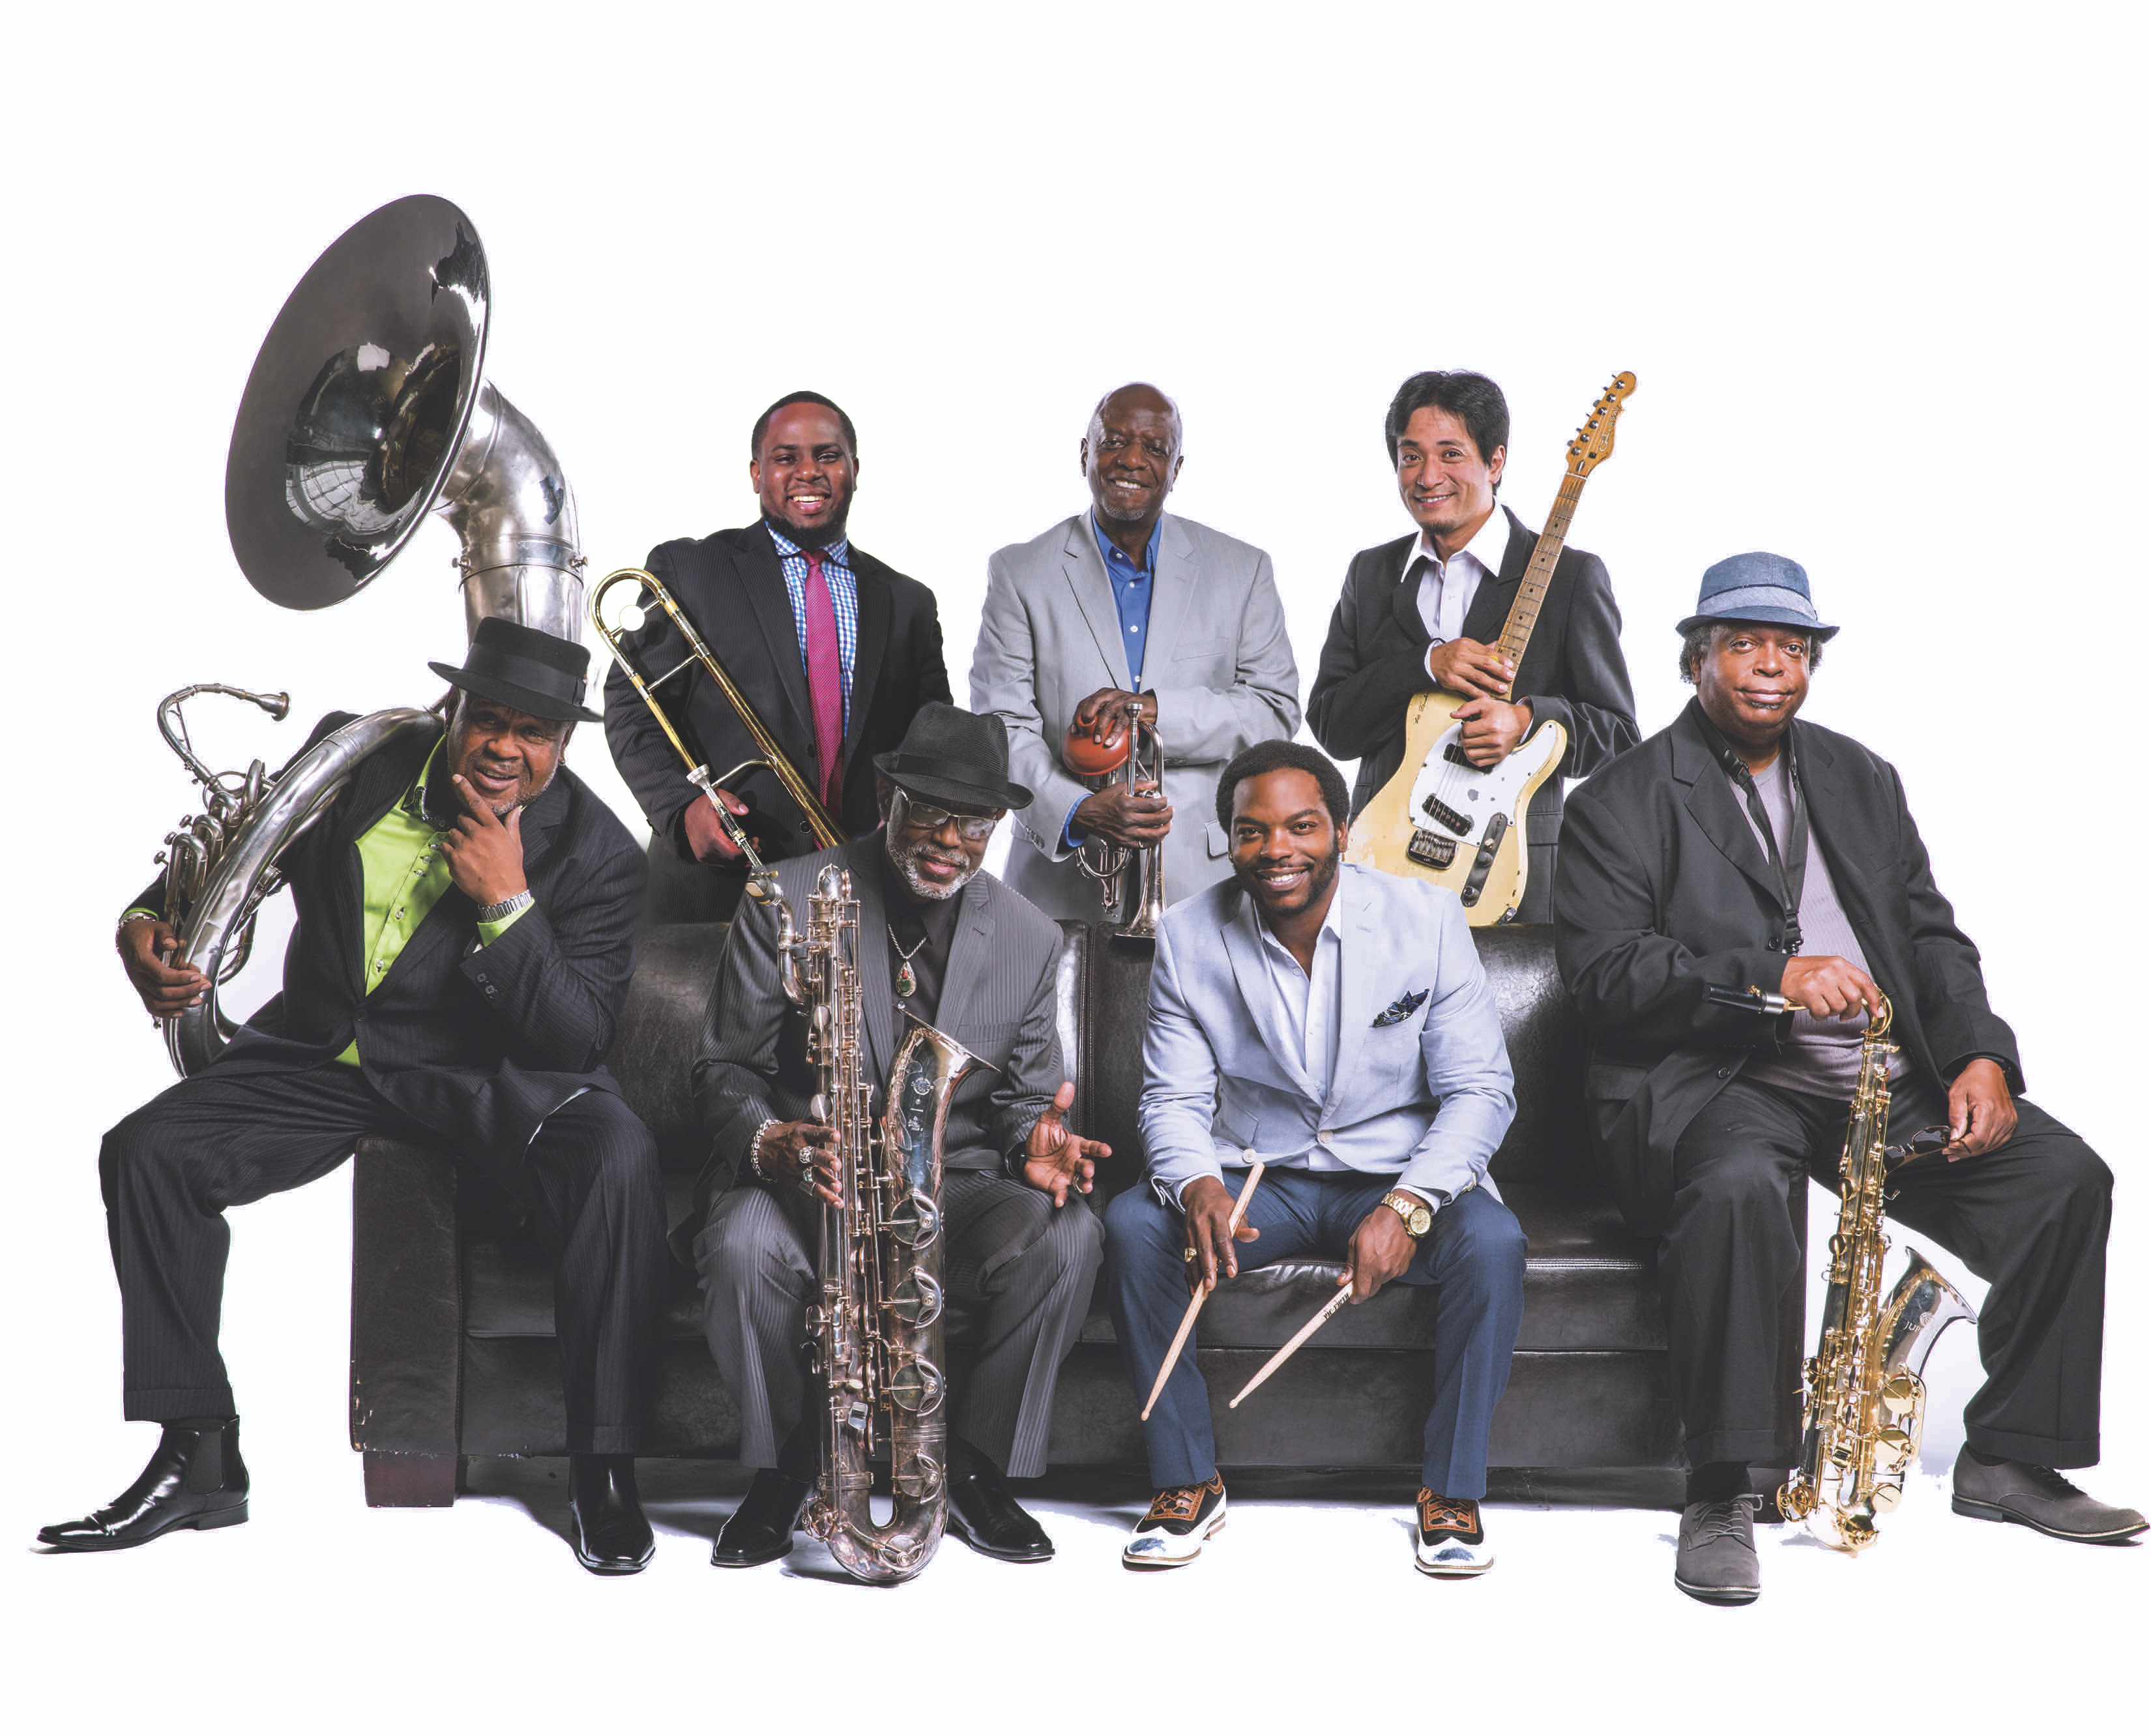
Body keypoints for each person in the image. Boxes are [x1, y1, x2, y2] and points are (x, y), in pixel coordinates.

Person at [1553, 553, 2144, 1605]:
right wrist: (1771, 975)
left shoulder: (1862, 775)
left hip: (1875, 1074)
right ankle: (1725, 1486)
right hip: (1720, 1072)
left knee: (2064, 1177)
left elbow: (1927, 935)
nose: (1771, 666)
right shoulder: (1621, 796)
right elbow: (1607, 975)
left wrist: (1978, 1056)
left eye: (1792, 647)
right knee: (1738, 1192)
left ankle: (2008, 1455)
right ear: (1697, 661)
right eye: (1744, 644)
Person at [42, 618, 667, 1574]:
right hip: (326, 1053)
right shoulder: (360, 757)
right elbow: (216, 866)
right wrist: (144, 926)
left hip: (480, 1072)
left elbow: (576, 1034)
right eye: (488, 718)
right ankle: (199, 1450)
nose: (506, 745)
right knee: (146, 1151)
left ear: (563, 745)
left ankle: (603, 1466)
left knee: (617, 1150)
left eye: (534, 732)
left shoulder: (599, 853)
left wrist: (509, 902)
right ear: (455, 709)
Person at [692, 703, 1108, 1567]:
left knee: (1073, 1237)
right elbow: (721, 1071)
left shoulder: (1032, 938)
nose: (952, 840)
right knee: (737, 1241)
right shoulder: (788, 895)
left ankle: (973, 1467)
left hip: (950, 1187)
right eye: (931, 811)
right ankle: (786, 1468)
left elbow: (1026, 1099)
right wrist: (775, 1141)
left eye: (977, 822)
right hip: (817, 1181)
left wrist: (1040, 1136)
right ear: (887, 795)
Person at [1102, 741, 1524, 1573]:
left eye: (1301, 826)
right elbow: (1172, 1101)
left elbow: (1482, 1091)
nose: (1278, 850)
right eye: (1251, 831)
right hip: (1263, 1174)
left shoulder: (1426, 917)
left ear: (1340, 829)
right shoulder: (1189, 935)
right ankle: (1188, 1479)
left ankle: (1451, 1487)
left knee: (1495, 1241)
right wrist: (1195, 1185)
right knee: (1132, 1225)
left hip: (1396, 1168)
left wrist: (1408, 1206)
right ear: (1227, 839)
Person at [606, 390, 952, 920]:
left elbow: (934, 745)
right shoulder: (691, 569)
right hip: (713, 894)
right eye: (786, 458)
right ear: (755, 473)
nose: (808, 472)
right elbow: (630, 707)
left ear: (855, 469)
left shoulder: (909, 602)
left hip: (857, 900)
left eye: (828, 456)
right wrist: (682, 811)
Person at [1307, 370, 1636, 922]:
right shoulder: (1371, 573)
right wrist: (1425, 664)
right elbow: (1331, 724)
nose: (1427, 475)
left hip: (1504, 871)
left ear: (1496, 462)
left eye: (1450, 454)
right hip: (1379, 864)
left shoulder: (1571, 576)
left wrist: (1528, 720)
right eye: (1410, 456)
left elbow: (1620, 737)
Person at [971, 382, 1300, 922]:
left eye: (1154, 447)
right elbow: (1001, 724)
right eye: (1114, 441)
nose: (1131, 459)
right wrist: (1077, 809)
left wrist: (1154, 709)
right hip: (1061, 886)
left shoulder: (1243, 570)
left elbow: (1274, 709)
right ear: (1084, 454)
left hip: (1204, 884)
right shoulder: (1018, 571)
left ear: (1177, 467)